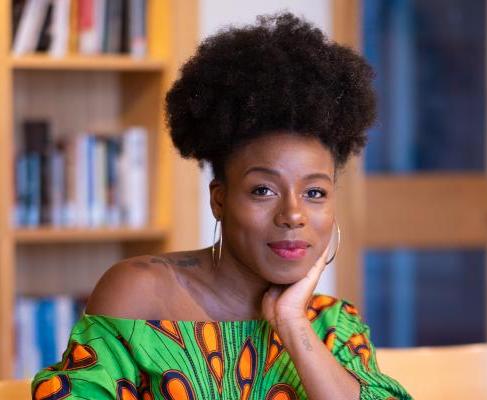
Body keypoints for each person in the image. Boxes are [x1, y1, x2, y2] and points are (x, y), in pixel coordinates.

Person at [32, 12, 411, 400]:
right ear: (219, 198)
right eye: (263, 190)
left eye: (315, 193)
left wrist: (293, 325)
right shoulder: (141, 295)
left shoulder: (334, 325)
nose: (293, 215)